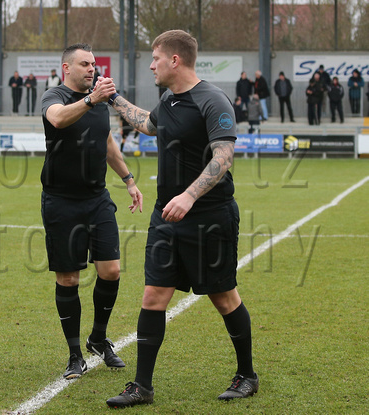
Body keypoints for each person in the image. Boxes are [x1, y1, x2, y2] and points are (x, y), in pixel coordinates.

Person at [105, 29, 258, 408]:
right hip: (165, 218)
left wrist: (189, 195)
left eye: (155, 58)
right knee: (154, 294)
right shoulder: (168, 100)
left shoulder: (213, 99)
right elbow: (147, 123)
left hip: (209, 216)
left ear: (175, 60)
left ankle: (247, 375)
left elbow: (223, 157)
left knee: (224, 297)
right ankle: (141, 386)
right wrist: (112, 98)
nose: (151, 64)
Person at [41, 43, 143, 380]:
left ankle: (97, 338)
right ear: (66, 68)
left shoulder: (99, 100)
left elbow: (108, 142)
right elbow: (56, 119)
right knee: (68, 278)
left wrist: (128, 180)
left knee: (111, 271)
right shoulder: (54, 96)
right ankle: (74, 355)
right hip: (60, 201)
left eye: (94, 64)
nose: (91, 69)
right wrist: (89, 101)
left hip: (97, 199)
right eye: (84, 64)